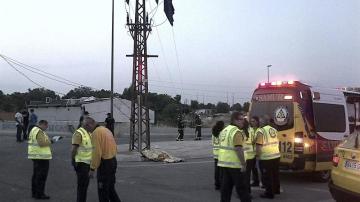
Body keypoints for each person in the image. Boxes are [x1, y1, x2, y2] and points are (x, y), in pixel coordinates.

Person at [83, 117, 121, 202]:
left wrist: (92, 168)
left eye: (86, 128)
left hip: (105, 165)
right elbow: (114, 146)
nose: (87, 130)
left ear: (90, 125)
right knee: (110, 189)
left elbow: (97, 153)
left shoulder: (96, 133)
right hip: (113, 161)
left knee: (102, 191)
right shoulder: (106, 130)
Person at [218, 112, 251, 202]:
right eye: (240, 119)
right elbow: (238, 149)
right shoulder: (236, 132)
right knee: (242, 190)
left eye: (243, 119)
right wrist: (243, 164)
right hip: (236, 165)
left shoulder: (225, 130)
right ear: (234, 120)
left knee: (226, 190)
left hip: (224, 164)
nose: (243, 122)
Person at [256, 115, 281, 199]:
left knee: (267, 176)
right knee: (275, 174)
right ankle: (276, 189)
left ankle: (269, 193)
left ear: (263, 122)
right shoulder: (273, 129)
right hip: (276, 155)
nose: (259, 122)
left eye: (260, 121)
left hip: (266, 157)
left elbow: (259, 145)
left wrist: (258, 156)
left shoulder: (261, 131)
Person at [28, 120, 52, 199]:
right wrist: (51, 141)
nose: (46, 128)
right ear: (43, 124)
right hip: (41, 157)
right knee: (41, 177)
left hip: (35, 156)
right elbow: (42, 143)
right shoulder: (39, 131)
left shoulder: (33, 130)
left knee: (35, 175)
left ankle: (34, 193)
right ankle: (40, 194)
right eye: (46, 126)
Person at [71, 123, 93, 202]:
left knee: (84, 186)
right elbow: (74, 149)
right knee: (82, 186)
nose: (92, 126)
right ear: (86, 125)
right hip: (81, 163)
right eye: (91, 125)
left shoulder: (89, 133)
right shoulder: (79, 133)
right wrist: (73, 160)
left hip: (87, 163)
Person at [242, 118, 256, 195]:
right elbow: (254, 141)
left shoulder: (240, 131)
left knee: (244, 176)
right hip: (251, 156)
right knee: (248, 175)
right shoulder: (251, 130)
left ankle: (245, 192)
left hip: (244, 156)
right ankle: (248, 192)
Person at [212, 120, 224, 190]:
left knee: (216, 170)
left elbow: (212, 143)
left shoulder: (213, 133)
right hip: (221, 153)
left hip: (215, 153)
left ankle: (217, 184)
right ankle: (221, 183)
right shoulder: (222, 133)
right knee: (221, 171)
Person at [249, 116, 261, 187]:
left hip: (258, 151)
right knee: (254, 168)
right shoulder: (250, 129)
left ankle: (262, 181)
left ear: (257, 121)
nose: (252, 122)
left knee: (259, 168)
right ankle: (256, 181)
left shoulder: (260, 130)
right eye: (251, 121)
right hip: (251, 152)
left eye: (253, 121)